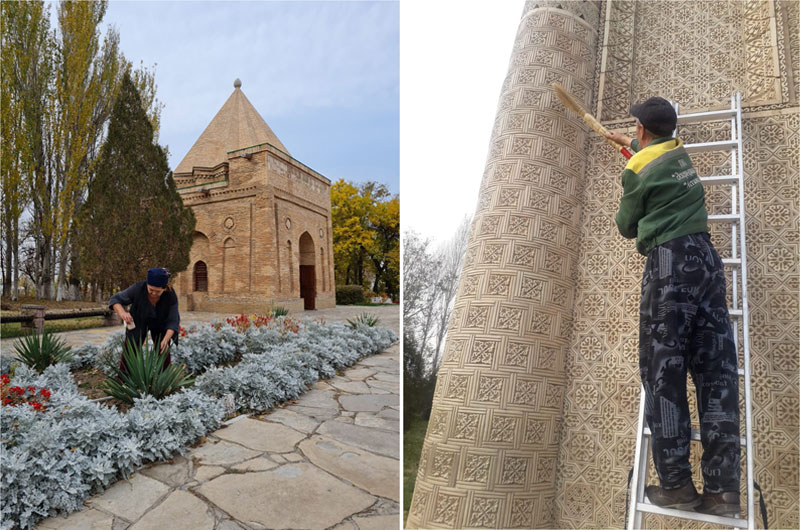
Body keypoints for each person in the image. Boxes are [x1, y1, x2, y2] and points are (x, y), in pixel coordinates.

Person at [605, 97, 741, 517]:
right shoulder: (679, 154)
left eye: (635, 128)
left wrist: (628, 164)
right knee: (716, 370)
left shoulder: (637, 170)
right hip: (707, 261)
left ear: (644, 131)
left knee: (664, 372)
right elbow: (653, 159)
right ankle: (722, 492)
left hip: (669, 264)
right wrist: (626, 142)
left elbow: (627, 226)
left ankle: (677, 485)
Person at [109, 267, 180, 372]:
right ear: (147, 284)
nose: (154, 293)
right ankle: (124, 381)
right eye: (151, 290)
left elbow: (173, 321)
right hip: (138, 319)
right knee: (131, 348)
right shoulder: (137, 288)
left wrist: (165, 340)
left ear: (164, 288)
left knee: (163, 350)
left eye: (158, 291)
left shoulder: (170, 295)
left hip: (161, 322)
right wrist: (122, 313)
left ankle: (162, 382)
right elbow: (115, 299)